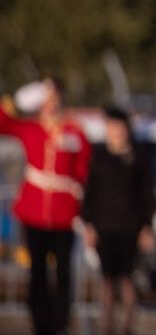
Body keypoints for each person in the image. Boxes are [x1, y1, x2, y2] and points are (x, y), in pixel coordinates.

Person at [0, 79, 91, 335]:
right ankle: (39, 323)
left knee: (63, 273)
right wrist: (16, 102)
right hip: (34, 211)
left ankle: (60, 322)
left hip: (63, 213)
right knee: (37, 272)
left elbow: (82, 170)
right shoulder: (31, 129)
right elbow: (3, 123)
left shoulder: (75, 132)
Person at [81, 107, 156, 335]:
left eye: (119, 127)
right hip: (104, 227)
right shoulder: (98, 156)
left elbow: (147, 194)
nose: (115, 131)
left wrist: (147, 227)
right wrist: (88, 226)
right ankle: (106, 326)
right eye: (110, 127)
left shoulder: (138, 156)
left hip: (130, 227)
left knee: (126, 278)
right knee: (106, 279)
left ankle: (127, 327)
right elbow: (90, 193)